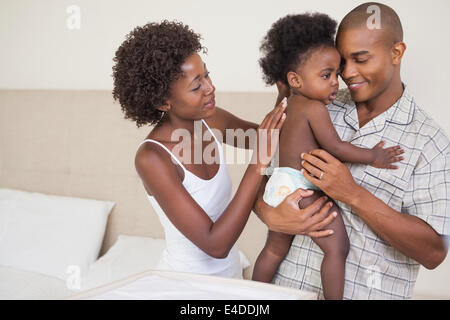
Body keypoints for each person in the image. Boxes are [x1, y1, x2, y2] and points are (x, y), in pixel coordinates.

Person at [253, 2, 450, 299]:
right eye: (342, 62)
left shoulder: (429, 142)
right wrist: (270, 215)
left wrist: (352, 193)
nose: (348, 73)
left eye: (361, 59)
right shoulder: (318, 103)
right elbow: (264, 182)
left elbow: (434, 253)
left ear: (396, 53)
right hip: (285, 291)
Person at [111, 20, 334, 279]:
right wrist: (257, 163)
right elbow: (215, 244)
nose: (210, 88)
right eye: (196, 86)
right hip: (184, 284)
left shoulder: (210, 119)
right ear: (163, 102)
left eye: (207, 75)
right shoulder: (153, 158)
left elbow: (273, 138)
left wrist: (287, 92)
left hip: (230, 279)